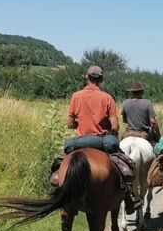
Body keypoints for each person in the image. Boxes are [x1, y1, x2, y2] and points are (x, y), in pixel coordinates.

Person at [57, 65, 142, 214]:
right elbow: (115, 127)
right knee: (124, 166)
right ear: (101, 79)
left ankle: (59, 183)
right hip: (102, 143)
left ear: (87, 77)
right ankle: (129, 197)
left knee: (61, 163)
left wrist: (79, 123)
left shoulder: (76, 96)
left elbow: (70, 124)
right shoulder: (107, 98)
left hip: (80, 141)